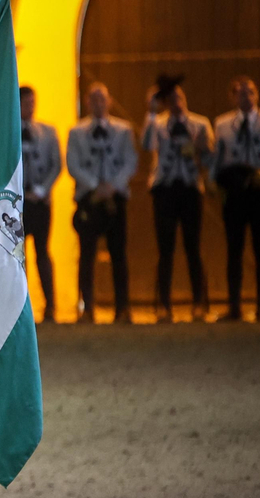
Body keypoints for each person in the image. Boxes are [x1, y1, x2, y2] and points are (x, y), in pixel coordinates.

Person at [212, 76, 260, 321]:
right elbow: (217, 159)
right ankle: (235, 305)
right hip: (234, 193)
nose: (247, 97)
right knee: (234, 249)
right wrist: (215, 183)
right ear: (232, 97)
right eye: (242, 93)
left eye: (251, 92)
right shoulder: (222, 124)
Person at [141, 75, 213, 323]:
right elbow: (147, 144)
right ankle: (163, 305)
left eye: (179, 97)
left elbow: (209, 159)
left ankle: (199, 303)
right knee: (166, 250)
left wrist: (202, 150)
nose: (176, 103)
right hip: (166, 189)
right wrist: (150, 112)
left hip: (191, 188)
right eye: (170, 99)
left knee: (193, 248)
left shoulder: (200, 124)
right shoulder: (159, 124)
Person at [66, 82, 138, 323]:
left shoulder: (123, 130)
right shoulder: (76, 132)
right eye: (93, 99)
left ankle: (123, 307)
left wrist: (112, 187)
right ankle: (87, 308)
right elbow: (73, 164)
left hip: (115, 198)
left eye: (102, 99)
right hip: (89, 198)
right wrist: (95, 186)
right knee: (86, 255)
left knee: (119, 254)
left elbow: (131, 161)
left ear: (109, 102)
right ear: (87, 102)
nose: (98, 103)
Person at [19, 86, 62, 323]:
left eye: (33, 103)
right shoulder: (8, 132)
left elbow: (57, 164)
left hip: (41, 202)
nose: (31, 107)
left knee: (42, 253)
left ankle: (51, 306)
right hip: (18, 206)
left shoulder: (47, 132)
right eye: (26, 103)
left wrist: (41, 189)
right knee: (18, 256)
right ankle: (21, 308)